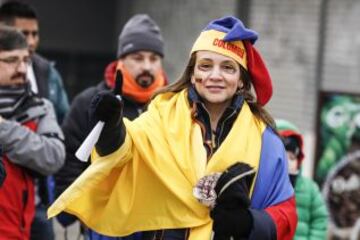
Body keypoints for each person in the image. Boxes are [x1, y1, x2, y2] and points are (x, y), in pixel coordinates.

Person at [49, 16, 297, 240]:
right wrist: (112, 129)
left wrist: (249, 223)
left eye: (228, 68)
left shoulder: (265, 139)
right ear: (192, 73)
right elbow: (126, 154)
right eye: (206, 65)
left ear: (242, 79)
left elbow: (286, 213)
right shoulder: (161, 113)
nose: (215, 76)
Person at [54, 14, 166, 240]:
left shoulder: (172, 105)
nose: (147, 66)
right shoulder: (90, 103)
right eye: (138, 57)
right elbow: (70, 161)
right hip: (105, 226)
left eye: (154, 58)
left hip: (157, 223)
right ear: (121, 60)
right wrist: (72, 209)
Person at [0, 2, 70, 239]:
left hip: (28, 223)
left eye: (25, 61)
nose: (21, 69)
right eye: (11, 61)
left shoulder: (39, 107)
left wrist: (4, 129)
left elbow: (53, 155)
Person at [276, 119, 328, 239]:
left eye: (292, 157)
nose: (288, 162)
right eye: (283, 155)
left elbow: (320, 221)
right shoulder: (263, 186)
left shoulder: (309, 189)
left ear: (299, 161)